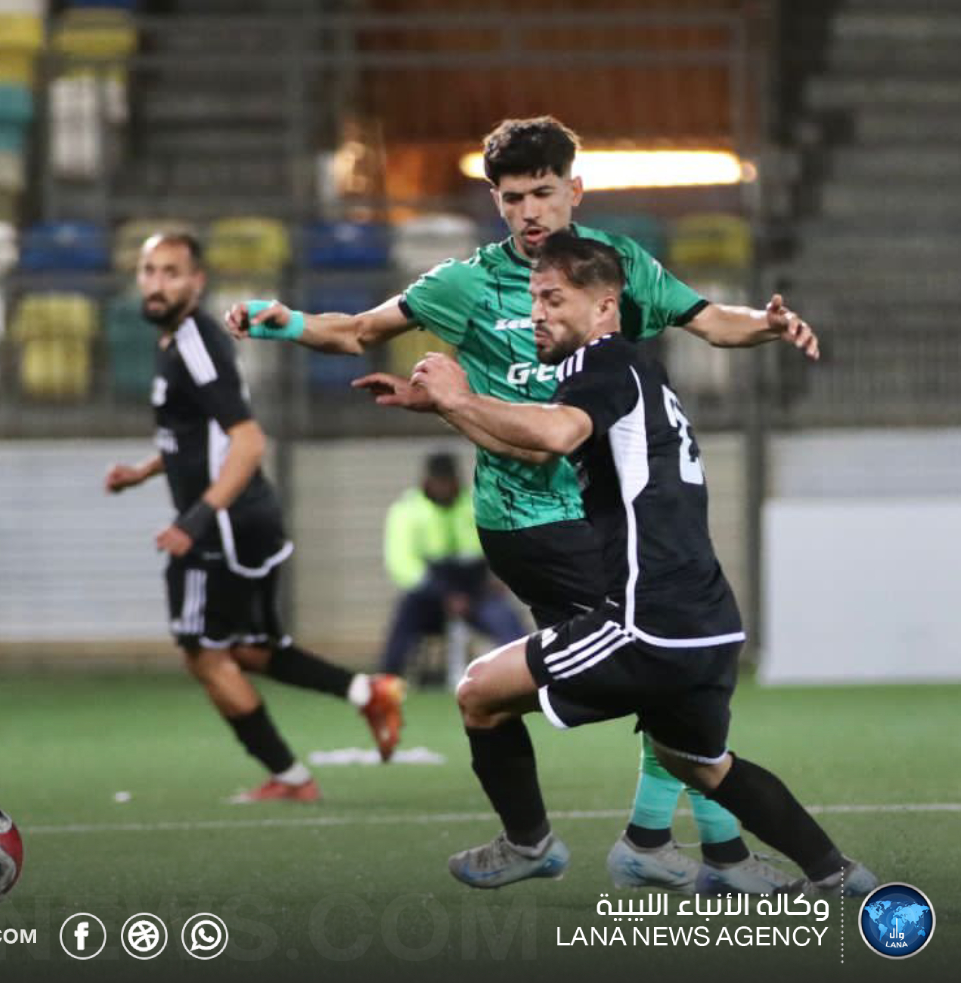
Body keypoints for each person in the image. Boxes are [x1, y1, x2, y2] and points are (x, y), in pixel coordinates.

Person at [226, 116, 816, 891]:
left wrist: (767, 325)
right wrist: (292, 323)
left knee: (665, 672)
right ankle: (701, 851)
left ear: (574, 189)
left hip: (598, 520)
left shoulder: (614, 268)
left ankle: (603, 841)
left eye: (544, 192)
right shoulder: (462, 283)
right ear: (494, 201)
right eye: (513, 198)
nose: (530, 211)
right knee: (672, 665)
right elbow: (362, 329)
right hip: (529, 525)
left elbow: (708, 320)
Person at [392, 231, 875, 895]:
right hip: (704, 619)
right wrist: (451, 409)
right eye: (533, 297)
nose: (537, 312)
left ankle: (528, 843)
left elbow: (555, 433)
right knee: (700, 763)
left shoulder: (600, 366)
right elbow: (537, 448)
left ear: (604, 307)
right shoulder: (624, 372)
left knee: (478, 691)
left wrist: (457, 396)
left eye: (554, 298)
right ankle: (841, 876)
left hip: (646, 621)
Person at [105, 231, 405, 803]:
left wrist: (194, 522)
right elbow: (201, 437)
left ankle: (291, 778)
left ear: (197, 282)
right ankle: (369, 692)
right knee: (248, 648)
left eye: (172, 272)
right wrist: (144, 472)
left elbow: (247, 443)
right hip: (251, 519)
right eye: (149, 271)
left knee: (203, 653)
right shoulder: (181, 341)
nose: (157, 283)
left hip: (222, 526)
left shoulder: (193, 343)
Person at [382, 451, 525, 677]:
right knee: (403, 624)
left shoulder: (477, 503)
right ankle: (386, 684)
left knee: (508, 623)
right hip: (430, 593)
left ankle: (524, 676)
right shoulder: (406, 510)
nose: (444, 487)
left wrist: (501, 575)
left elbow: (500, 545)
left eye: (448, 481)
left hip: (475, 590)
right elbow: (402, 564)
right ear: (427, 481)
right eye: (439, 481)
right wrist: (445, 594)